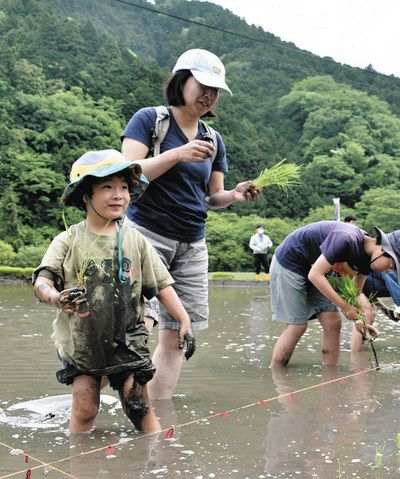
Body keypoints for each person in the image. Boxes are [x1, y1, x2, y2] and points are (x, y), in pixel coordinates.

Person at [121, 49, 258, 399]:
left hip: (192, 244)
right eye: (203, 84)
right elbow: (125, 175)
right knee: (141, 322)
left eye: (215, 90)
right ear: (182, 80)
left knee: (179, 333)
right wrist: (176, 154)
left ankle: (156, 412)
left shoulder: (214, 139)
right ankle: (128, 397)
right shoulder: (150, 120)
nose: (209, 95)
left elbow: (213, 197)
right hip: (146, 235)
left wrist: (235, 195)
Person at [32, 150, 195, 433]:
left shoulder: (136, 240)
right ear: (86, 195)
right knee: (85, 409)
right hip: (83, 342)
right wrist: (56, 298)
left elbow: (162, 285)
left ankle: (153, 461)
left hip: (129, 338)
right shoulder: (68, 239)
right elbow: (42, 281)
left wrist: (184, 320)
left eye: (123, 187)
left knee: (138, 405)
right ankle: (79, 462)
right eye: (107, 187)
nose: (118, 195)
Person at [269, 221, 400, 366]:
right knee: (298, 326)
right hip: (290, 262)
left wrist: (361, 322)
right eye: (392, 266)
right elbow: (315, 275)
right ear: (383, 250)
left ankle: (330, 375)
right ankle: (278, 376)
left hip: (315, 268)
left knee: (333, 322)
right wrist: (346, 308)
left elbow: (354, 294)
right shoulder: (345, 238)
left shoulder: (367, 261)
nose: (388, 271)